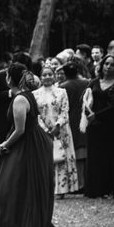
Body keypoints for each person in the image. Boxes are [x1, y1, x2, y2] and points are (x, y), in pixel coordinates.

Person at [0, 62, 55, 227]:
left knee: (13, 185)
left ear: (10, 78)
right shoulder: (27, 96)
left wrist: (2, 146)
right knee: (25, 186)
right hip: (34, 141)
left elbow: (19, 130)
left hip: (28, 144)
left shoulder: (19, 99)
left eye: (7, 75)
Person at [33, 66, 79, 196]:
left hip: (61, 130)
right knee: (46, 158)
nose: (47, 77)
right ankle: (47, 188)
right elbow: (36, 114)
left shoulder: (61, 92)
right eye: (44, 75)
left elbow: (65, 111)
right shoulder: (35, 94)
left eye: (49, 74)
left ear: (54, 76)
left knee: (62, 158)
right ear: (41, 77)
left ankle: (62, 190)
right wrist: (45, 129)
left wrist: (58, 125)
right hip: (43, 131)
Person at [82, 54, 114, 198]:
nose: (109, 67)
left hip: (112, 124)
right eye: (106, 64)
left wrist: (97, 115)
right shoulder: (93, 82)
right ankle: (96, 189)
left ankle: (112, 188)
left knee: (112, 157)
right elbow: (85, 99)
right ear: (102, 65)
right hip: (94, 125)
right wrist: (89, 114)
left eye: (112, 65)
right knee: (95, 156)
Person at [60, 61, 90, 190]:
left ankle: (77, 183)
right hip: (86, 119)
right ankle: (86, 182)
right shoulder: (87, 83)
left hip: (71, 120)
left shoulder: (63, 87)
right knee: (85, 149)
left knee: (74, 150)